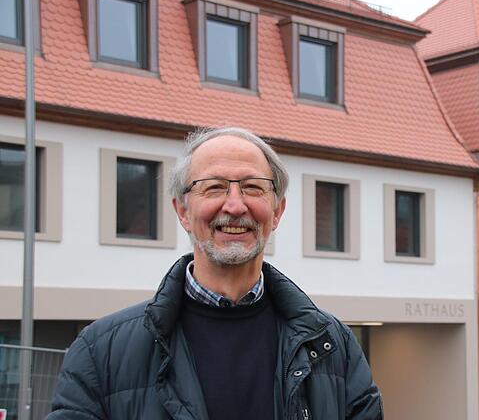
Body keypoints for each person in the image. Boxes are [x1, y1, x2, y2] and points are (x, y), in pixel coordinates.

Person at [48, 127, 382, 420]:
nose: (235, 206)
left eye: (253, 187)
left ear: (277, 211)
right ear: (182, 210)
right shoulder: (100, 352)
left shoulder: (334, 346)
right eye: (214, 187)